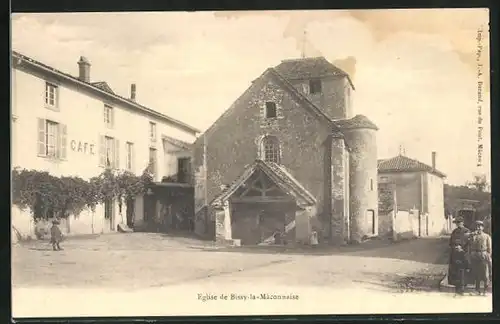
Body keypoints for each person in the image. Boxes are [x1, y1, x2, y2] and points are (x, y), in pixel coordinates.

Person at [468, 220, 492, 295]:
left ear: (483, 227)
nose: (478, 228)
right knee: (476, 273)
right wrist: (472, 236)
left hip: (483, 255)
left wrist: (488, 256)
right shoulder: (473, 236)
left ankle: (485, 290)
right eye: (477, 226)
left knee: (485, 273)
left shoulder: (486, 236)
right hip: (475, 256)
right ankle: (477, 290)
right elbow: (470, 245)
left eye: (480, 226)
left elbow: (489, 248)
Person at [448, 217, 471, 292]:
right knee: (455, 269)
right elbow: (451, 242)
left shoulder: (467, 231)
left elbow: (469, 243)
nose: (458, 224)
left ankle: (463, 286)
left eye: (460, 222)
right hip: (455, 253)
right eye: (457, 222)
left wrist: (462, 248)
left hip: (463, 253)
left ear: (463, 223)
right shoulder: (454, 231)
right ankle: (457, 286)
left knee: (463, 269)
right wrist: (455, 247)